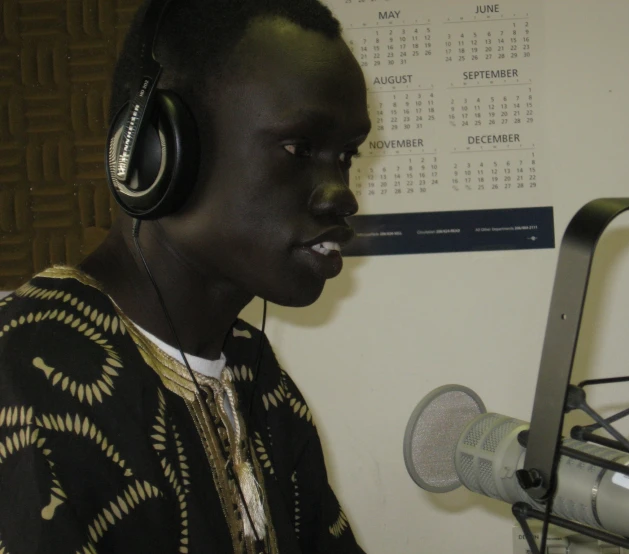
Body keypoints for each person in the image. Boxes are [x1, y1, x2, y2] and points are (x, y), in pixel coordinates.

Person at [0, 0, 371, 552]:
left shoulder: (260, 379)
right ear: (159, 151)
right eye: (299, 148)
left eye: (346, 156)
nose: (344, 195)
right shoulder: (24, 379)